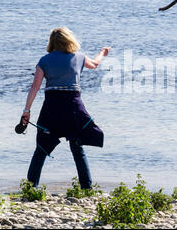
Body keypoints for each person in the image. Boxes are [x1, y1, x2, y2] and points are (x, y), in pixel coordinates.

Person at [21, 27, 110, 189]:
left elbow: (34, 88)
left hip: (51, 108)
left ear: (52, 42)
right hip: (73, 107)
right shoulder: (79, 57)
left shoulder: (44, 61)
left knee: (41, 149)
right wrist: (102, 53)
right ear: (70, 40)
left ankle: (31, 188)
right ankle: (86, 188)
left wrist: (26, 111)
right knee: (77, 148)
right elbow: (95, 64)